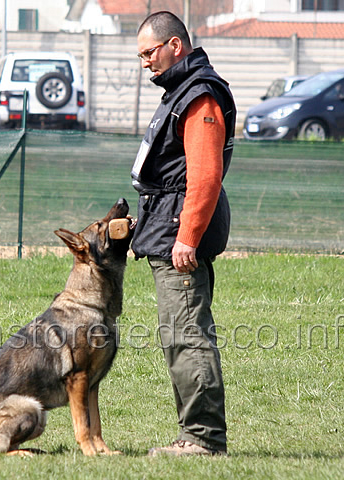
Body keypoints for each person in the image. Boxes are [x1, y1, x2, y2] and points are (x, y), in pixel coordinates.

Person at [130, 11, 236, 456]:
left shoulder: (199, 96)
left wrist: (187, 237)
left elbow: (205, 177)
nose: (145, 64)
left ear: (176, 45)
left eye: (149, 53)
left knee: (186, 334)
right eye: (139, 57)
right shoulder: (182, 91)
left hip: (181, 234)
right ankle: (193, 435)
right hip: (167, 225)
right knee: (178, 334)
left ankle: (202, 439)